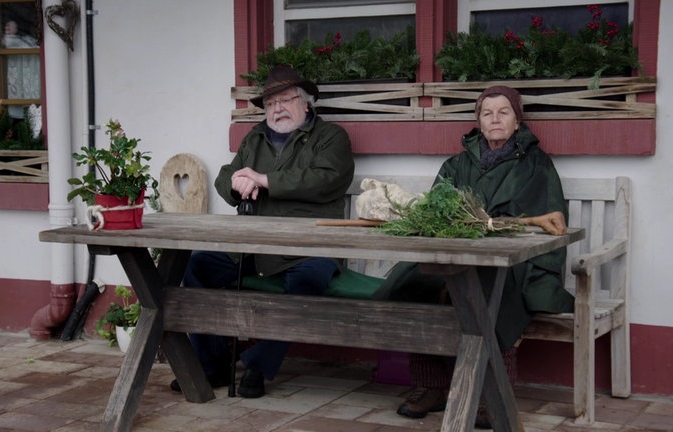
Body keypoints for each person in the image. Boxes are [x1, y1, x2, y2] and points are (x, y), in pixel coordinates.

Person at [374, 86, 573, 428]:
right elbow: (434, 214)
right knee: (415, 282)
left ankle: (493, 392)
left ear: (516, 120)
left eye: (503, 112)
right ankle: (431, 385)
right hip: (454, 252)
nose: (495, 119)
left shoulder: (536, 165)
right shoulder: (455, 165)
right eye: (487, 113)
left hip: (509, 261)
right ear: (478, 122)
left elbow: (549, 221)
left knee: (492, 294)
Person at [169, 65, 355, 398]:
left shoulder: (331, 137)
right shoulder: (255, 137)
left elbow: (325, 180)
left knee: (308, 280)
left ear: (306, 103)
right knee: (196, 266)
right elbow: (227, 177)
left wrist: (263, 180)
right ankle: (214, 364)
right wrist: (238, 185)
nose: (278, 109)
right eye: (270, 104)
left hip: (309, 246)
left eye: (285, 100)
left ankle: (258, 364)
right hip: (253, 246)